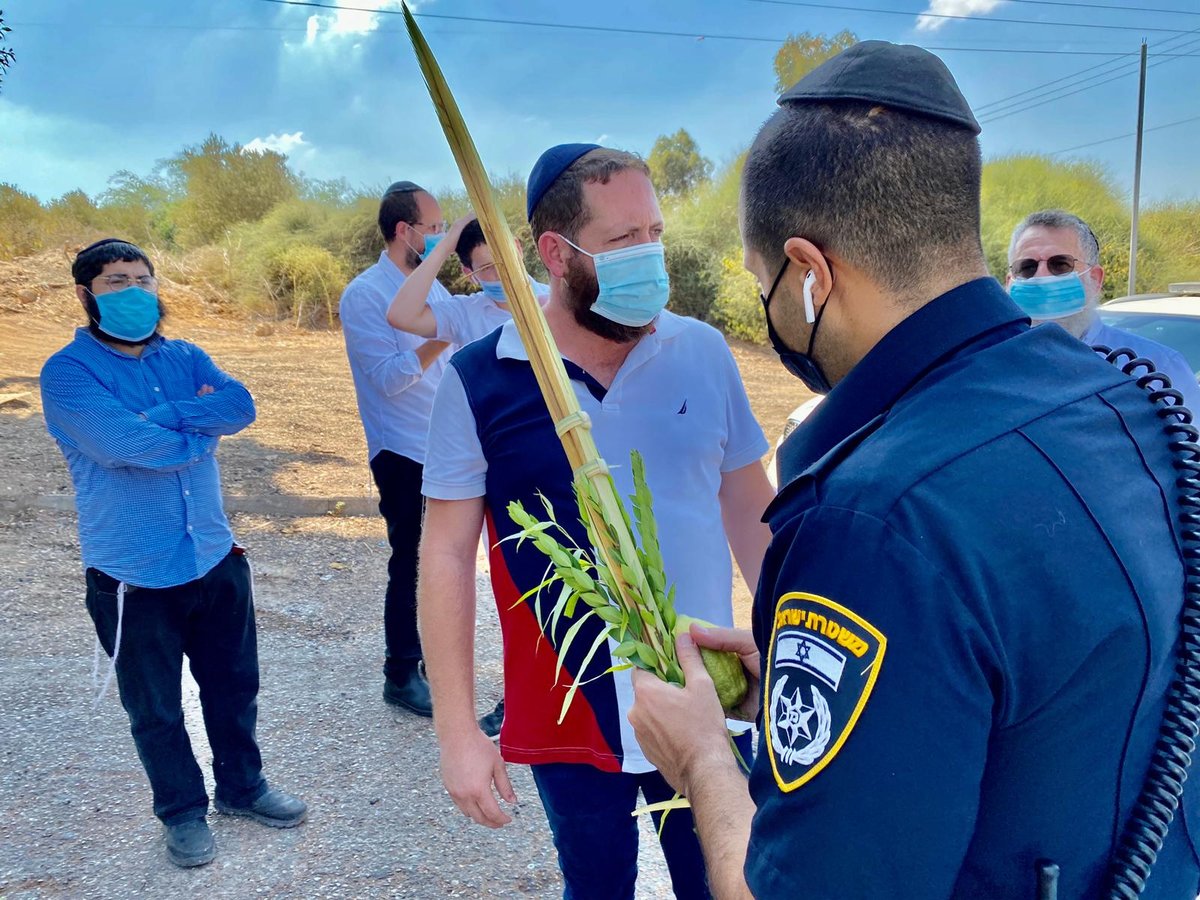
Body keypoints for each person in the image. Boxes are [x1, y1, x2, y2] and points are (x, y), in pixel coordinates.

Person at [628, 41, 1200, 899]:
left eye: (765, 281)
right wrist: (798, 680)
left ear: (811, 272)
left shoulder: (873, 521)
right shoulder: (1122, 403)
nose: (769, 307)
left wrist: (705, 757)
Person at [418, 144, 776, 899]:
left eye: (654, 233)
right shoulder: (480, 381)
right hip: (567, 711)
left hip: (704, 692)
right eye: (623, 241)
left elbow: (749, 507)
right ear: (554, 253)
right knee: (596, 884)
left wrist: (787, 657)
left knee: (726, 879)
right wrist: (457, 727)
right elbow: (446, 553)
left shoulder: (702, 352)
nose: (649, 255)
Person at [40, 238, 306, 869]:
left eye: (142, 279)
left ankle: (243, 788)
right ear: (86, 295)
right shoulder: (68, 373)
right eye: (115, 283)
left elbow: (239, 405)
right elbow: (126, 446)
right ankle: (182, 812)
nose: (134, 292)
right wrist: (194, 431)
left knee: (234, 688)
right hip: (133, 576)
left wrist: (164, 415)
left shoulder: (185, 356)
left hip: (214, 558)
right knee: (156, 709)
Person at [339, 181, 452, 718]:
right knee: (410, 559)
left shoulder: (438, 289)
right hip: (403, 450)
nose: (439, 236)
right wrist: (440, 337)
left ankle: (433, 661)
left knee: (443, 560)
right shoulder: (365, 295)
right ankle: (400, 672)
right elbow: (388, 379)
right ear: (403, 231)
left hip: (447, 445)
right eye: (433, 228)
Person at [1007, 208, 1200, 410]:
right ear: (1009, 282)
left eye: (1060, 264)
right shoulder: (987, 363)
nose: (1041, 276)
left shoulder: (1159, 367)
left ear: (1096, 279)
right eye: (1027, 267)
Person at [387, 216, 550, 346]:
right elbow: (401, 316)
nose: (501, 274)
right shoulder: (464, 314)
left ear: (518, 248)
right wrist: (445, 246)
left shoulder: (557, 298)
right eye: (487, 268)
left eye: (505, 260)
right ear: (470, 273)